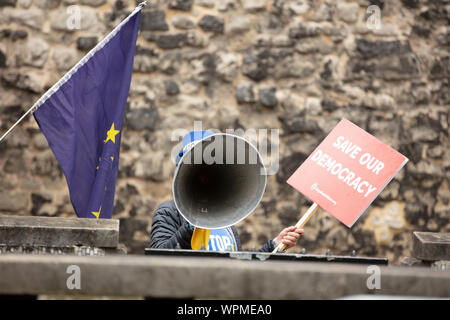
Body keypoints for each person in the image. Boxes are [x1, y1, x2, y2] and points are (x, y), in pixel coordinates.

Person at [149, 131, 304, 253]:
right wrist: (192, 223)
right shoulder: (169, 212)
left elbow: (239, 266)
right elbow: (158, 254)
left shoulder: (224, 219)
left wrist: (274, 245)